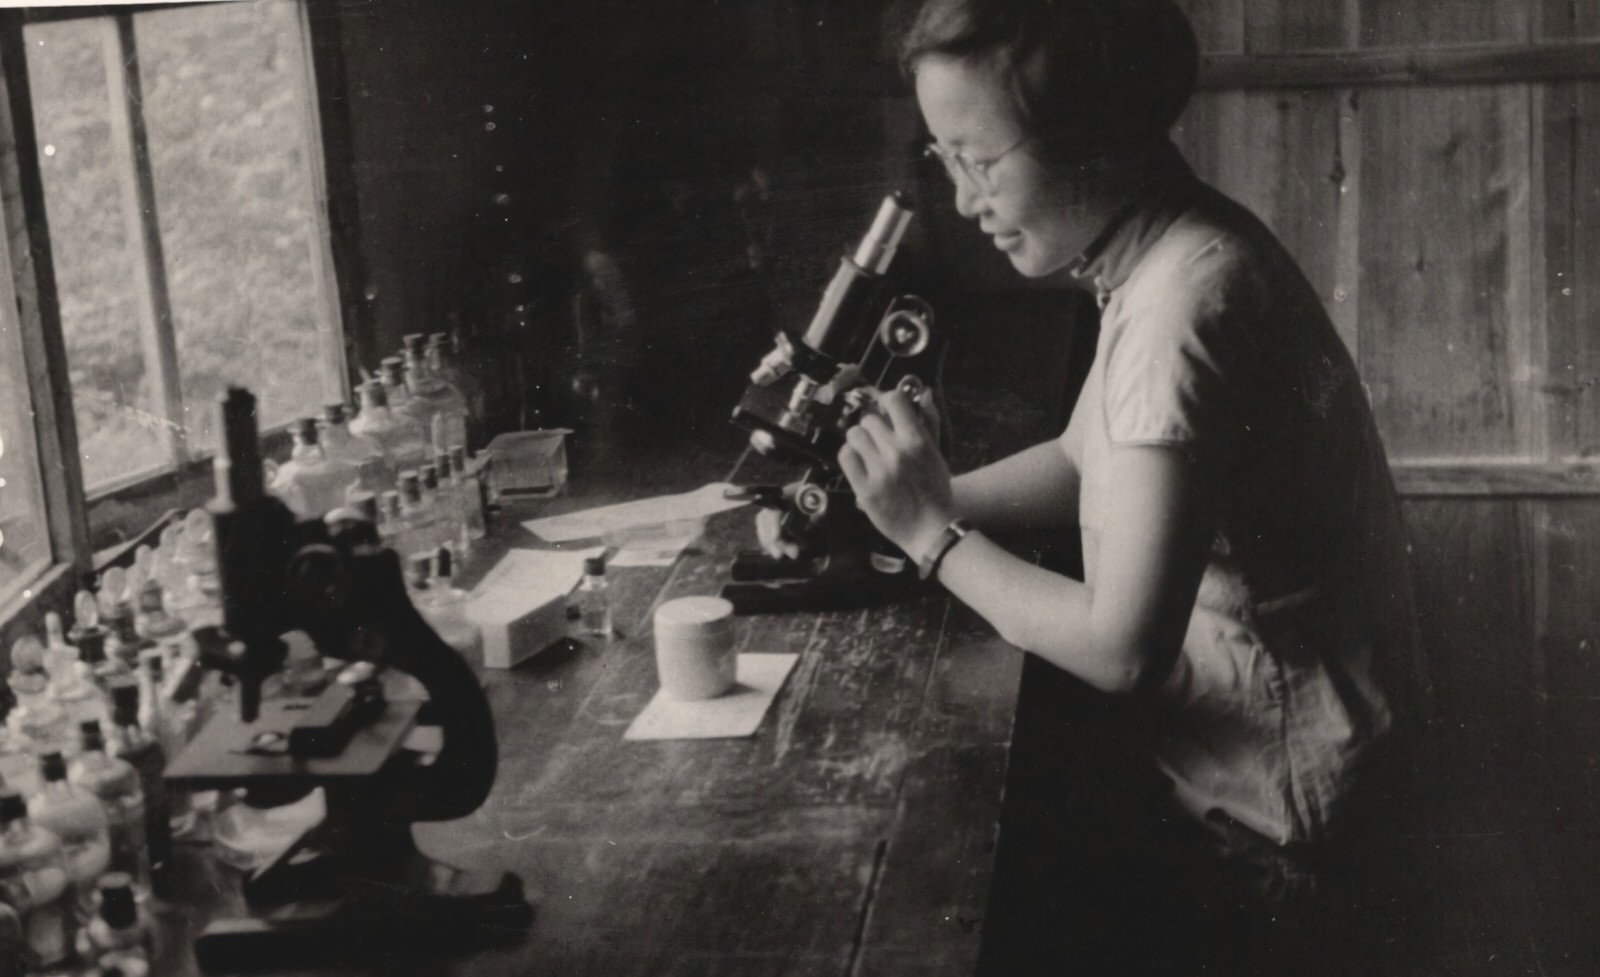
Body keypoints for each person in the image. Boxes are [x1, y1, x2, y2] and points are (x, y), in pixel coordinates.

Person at [800, 0, 1429, 972]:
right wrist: (919, 492)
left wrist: (932, 537)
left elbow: (1121, 646)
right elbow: (1081, 457)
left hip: (1278, 820)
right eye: (943, 160)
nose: (962, 200)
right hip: (1272, 773)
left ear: (1094, 129)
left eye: (980, 157)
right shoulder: (1168, 250)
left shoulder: (1183, 307)